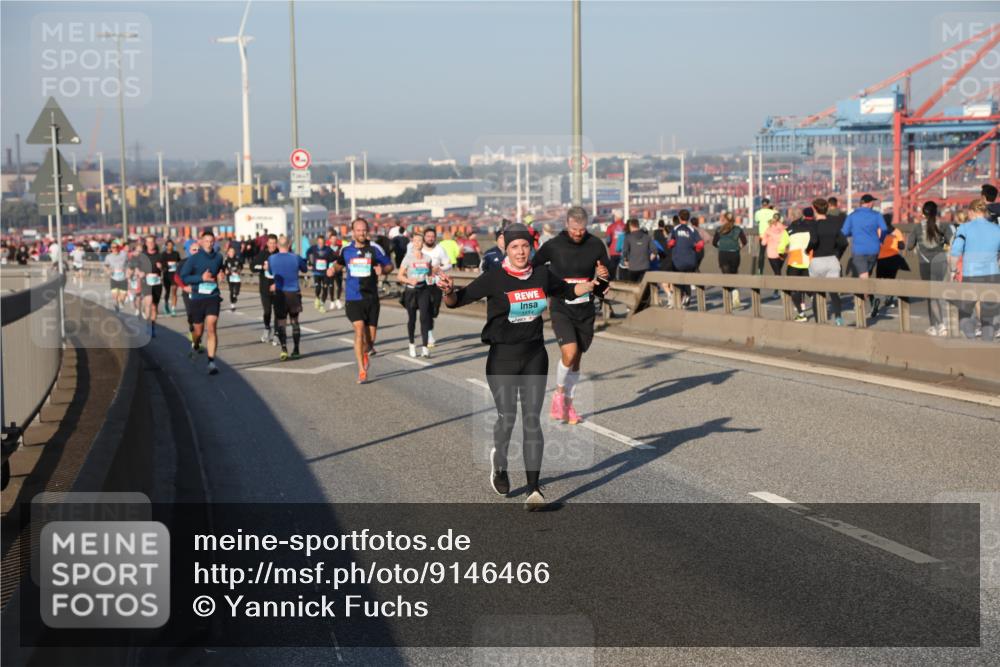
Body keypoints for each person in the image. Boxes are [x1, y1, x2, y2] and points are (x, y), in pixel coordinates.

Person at [436, 223, 599, 510]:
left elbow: (568, 291)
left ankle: (534, 490)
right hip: (503, 358)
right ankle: (499, 463)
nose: (521, 251)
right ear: (506, 249)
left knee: (532, 421)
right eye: (515, 247)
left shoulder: (541, 274)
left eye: (525, 245)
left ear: (531, 247)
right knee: (507, 418)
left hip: (535, 355)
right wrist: (448, 291)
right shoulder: (494, 278)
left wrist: (590, 283)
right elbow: (457, 301)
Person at [531, 206, 610, 423]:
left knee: (576, 359)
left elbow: (605, 273)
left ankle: (568, 404)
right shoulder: (553, 245)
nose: (578, 233)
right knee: (570, 351)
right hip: (560, 306)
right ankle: (558, 394)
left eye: (582, 229)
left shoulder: (595, 244)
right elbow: (534, 267)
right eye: (574, 229)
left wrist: (604, 276)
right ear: (567, 224)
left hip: (585, 309)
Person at [329, 218, 393, 383]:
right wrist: (332, 270)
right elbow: (339, 264)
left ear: (367, 231)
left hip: (371, 298)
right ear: (353, 232)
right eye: (358, 230)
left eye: (364, 230)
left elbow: (389, 266)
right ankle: (361, 370)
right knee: (358, 330)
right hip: (353, 297)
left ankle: (367, 352)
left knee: (370, 341)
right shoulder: (346, 250)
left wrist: (383, 269)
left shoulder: (374, 248)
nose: (362, 233)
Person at [949, 198, 1000, 341]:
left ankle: (971, 340)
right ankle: (986, 348)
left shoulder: (964, 228)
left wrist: (953, 271)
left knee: (964, 315)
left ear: (971, 212)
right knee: (988, 317)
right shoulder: (997, 229)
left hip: (971, 276)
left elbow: (955, 252)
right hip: (993, 276)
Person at [179, 230, 224, 375]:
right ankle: (195, 345)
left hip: (213, 296)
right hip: (197, 297)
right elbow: (184, 277)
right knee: (198, 331)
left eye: (212, 241)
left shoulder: (218, 257)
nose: (209, 244)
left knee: (211, 326)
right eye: (207, 241)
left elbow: (218, 270)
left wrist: (221, 274)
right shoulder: (193, 259)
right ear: (201, 242)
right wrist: (201, 278)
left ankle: (211, 362)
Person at [908, 201, 952, 336]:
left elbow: (909, 246)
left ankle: (937, 325)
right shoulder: (944, 226)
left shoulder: (917, 228)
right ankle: (940, 324)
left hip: (925, 264)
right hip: (940, 263)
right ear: (936, 212)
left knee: (930, 295)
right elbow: (950, 243)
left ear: (923, 213)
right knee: (937, 293)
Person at [806, 198, 848, 326]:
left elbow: (813, 241)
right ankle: (838, 318)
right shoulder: (833, 224)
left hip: (818, 261)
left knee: (817, 292)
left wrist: (807, 250)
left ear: (814, 209)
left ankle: (819, 320)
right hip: (832, 260)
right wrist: (837, 254)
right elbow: (843, 242)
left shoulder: (814, 224)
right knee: (834, 292)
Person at [397, 234, 438, 358]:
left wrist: (434, 277)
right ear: (412, 243)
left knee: (425, 318)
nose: (418, 243)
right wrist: (409, 281)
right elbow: (399, 276)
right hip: (411, 291)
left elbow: (430, 274)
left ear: (423, 243)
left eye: (420, 240)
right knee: (412, 319)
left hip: (423, 290)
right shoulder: (407, 258)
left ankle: (425, 348)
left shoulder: (427, 258)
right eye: (415, 241)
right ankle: (412, 344)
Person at [268, 237, 309, 360]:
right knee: (295, 321)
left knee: (281, 322)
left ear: (277, 246)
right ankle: (296, 349)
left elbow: (270, 272)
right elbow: (305, 269)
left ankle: (284, 349)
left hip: (280, 293)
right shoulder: (295, 257)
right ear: (289, 244)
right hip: (293, 293)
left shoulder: (271, 258)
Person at [416, 228, 452, 347]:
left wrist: (440, 269)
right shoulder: (419, 249)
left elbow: (449, 264)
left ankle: (429, 328)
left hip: (436, 284)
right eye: (428, 236)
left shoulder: (440, 249)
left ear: (435, 237)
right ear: (424, 237)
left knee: (434, 310)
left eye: (432, 236)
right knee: (425, 310)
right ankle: (429, 335)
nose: (430, 238)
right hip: (422, 283)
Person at [666, 210, 704, 307]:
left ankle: (681, 297)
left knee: (677, 279)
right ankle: (687, 296)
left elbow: (670, 243)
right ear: (688, 218)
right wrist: (695, 248)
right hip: (691, 260)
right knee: (687, 276)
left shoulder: (675, 229)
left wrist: (672, 245)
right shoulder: (692, 229)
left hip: (678, 260)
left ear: (679, 218)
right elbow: (700, 243)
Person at [873, 212, 908, 316]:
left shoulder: (879, 231)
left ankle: (877, 299)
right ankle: (889, 297)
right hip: (893, 259)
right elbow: (902, 246)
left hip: (881, 259)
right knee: (890, 279)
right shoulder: (897, 232)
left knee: (879, 280)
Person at [785, 208, 815, 322]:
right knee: (808, 286)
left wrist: (782, 253)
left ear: (792, 217)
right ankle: (814, 300)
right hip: (808, 260)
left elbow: (781, 247)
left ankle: (801, 314)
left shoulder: (789, 230)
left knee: (794, 288)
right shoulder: (810, 228)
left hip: (794, 262)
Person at [712, 212, 748, 309]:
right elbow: (744, 241)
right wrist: (738, 247)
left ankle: (730, 298)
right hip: (735, 254)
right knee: (734, 275)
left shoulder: (719, 229)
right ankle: (735, 292)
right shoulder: (738, 229)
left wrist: (721, 246)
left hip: (723, 254)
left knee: (726, 277)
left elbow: (714, 243)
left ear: (724, 219)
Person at [252, 234, 279, 344]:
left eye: (274, 243)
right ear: (267, 243)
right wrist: (262, 267)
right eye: (270, 243)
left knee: (278, 312)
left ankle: (277, 334)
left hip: (278, 288)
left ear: (276, 244)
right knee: (267, 311)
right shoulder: (262, 254)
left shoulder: (280, 254)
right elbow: (252, 267)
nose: (272, 245)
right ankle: (267, 328)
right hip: (265, 288)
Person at [136, 235, 164, 337]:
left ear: (155, 243)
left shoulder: (160, 256)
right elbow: (136, 268)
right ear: (146, 244)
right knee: (148, 302)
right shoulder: (142, 255)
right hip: (146, 282)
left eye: (152, 242)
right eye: (149, 242)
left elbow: (165, 269)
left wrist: (161, 268)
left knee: (154, 307)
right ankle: (147, 325)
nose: (151, 244)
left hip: (156, 282)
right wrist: (140, 273)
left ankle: (152, 326)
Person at [306, 234, 336, 312]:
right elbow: (307, 253)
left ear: (324, 242)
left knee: (325, 289)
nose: (321, 244)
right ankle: (317, 298)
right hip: (316, 272)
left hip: (325, 272)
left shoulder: (328, 249)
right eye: (319, 242)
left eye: (322, 243)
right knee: (318, 287)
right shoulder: (313, 248)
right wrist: (309, 263)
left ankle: (322, 305)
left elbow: (334, 256)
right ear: (317, 242)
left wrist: (332, 262)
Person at [620, 218, 655, 283]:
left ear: (631, 226)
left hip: (633, 267)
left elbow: (625, 251)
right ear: (638, 225)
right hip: (645, 266)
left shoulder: (628, 237)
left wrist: (626, 261)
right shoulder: (647, 237)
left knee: (633, 286)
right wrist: (649, 259)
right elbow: (654, 251)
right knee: (644, 287)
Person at [103, 241, 129, 312]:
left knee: (122, 297)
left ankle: (121, 302)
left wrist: (127, 270)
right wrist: (107, 270)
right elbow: (105, 266)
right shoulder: (108, 257)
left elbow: (129, 263)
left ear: (118, 248)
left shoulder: (124, 255)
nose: (114, 249)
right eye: (113, 247)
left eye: (116, 247)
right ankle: (117, 306)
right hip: (114, 277)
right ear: (111, 248)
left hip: (123, 278)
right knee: (115, 295)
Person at [754, 197, 777, 274]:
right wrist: (773, 210)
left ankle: (760, 270)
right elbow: (780, 219)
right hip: (771, 236)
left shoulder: (758, 213)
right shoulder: (773, 213)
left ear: (762, 204)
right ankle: (776, 270)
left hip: (762, 236)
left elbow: (757, 221)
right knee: (773, 253)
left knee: (761, 253)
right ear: (768, 204)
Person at [161, 240, 181, 316]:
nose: (170, 246)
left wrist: (178, 266)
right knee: (167, 292)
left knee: (174, 291)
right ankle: (166, 305)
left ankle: (173, 309)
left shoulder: (176, 253)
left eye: (171, 245)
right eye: (168, 245)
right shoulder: (163, 254)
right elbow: (161, 264)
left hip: (175, 275)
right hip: (166, 275)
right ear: (166, 246)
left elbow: (179, 262)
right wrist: (165, 267)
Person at [605, 214, 626, 280]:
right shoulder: (626, 226)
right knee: (623, 269)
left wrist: (608, 246)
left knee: (612, 269)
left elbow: (608, 240)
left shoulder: (611, 227)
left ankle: (612, 282)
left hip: (613, 251)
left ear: (616, 217)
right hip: (624, 251)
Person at [223, 245, 242, 312]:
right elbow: (224, 268)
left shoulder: (237, 259)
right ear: (228, 252)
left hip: (237, 277)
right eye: (230, 251)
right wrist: (225, 271)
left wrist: (239, 270)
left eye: (233, 251)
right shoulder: (226, 260)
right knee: (231, 290)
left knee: (236, 291)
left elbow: (241, 266)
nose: (232, 253)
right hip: (230, 277)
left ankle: (235, 295)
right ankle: (232, 305)